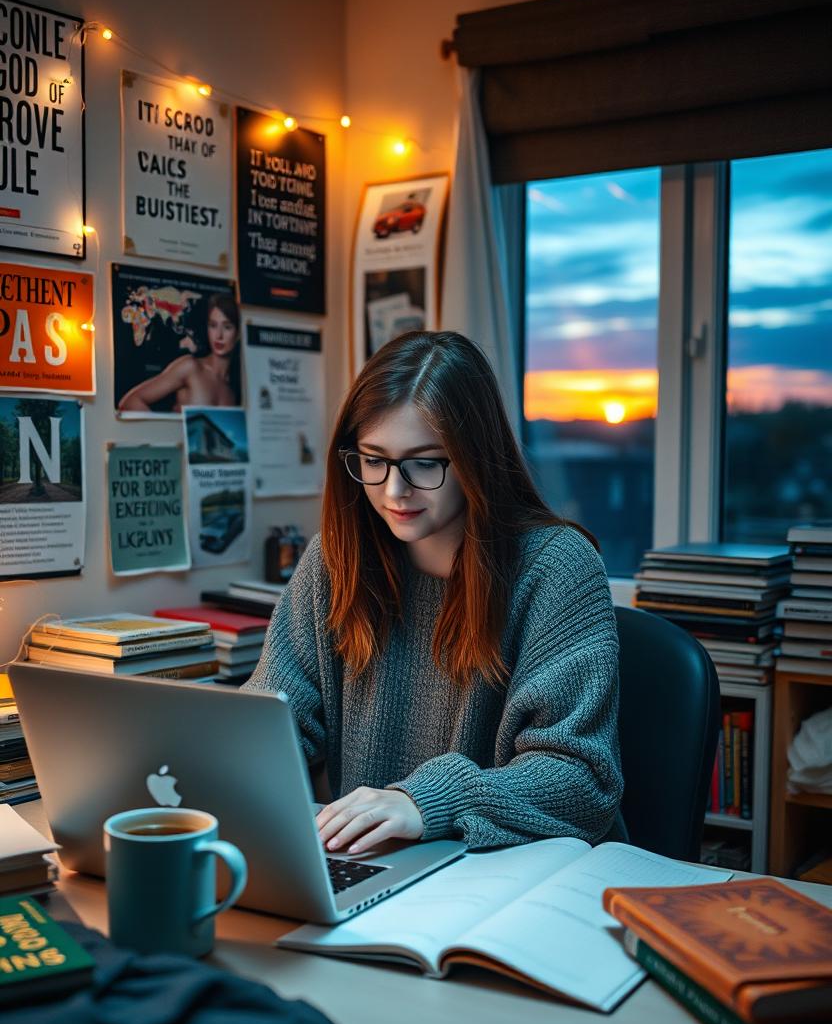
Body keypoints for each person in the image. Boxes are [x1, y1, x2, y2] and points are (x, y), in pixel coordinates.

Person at [245, 331, 624, 856]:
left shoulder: (557, 568)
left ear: (475, 459)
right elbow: (272, 715)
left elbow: (579, 780)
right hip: (383, 865)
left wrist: (428, 800)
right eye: (373, 460)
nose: (394, 491)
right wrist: (220, 762)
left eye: (424, 463)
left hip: (515, 874)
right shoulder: (334, 561)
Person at [118, 293, 241, 413]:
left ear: (238, 334)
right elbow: (130, 402)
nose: (219, 335)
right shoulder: (191, 367)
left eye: (227, 327)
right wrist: (166, 432)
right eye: (213, 325)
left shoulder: (233, 387)